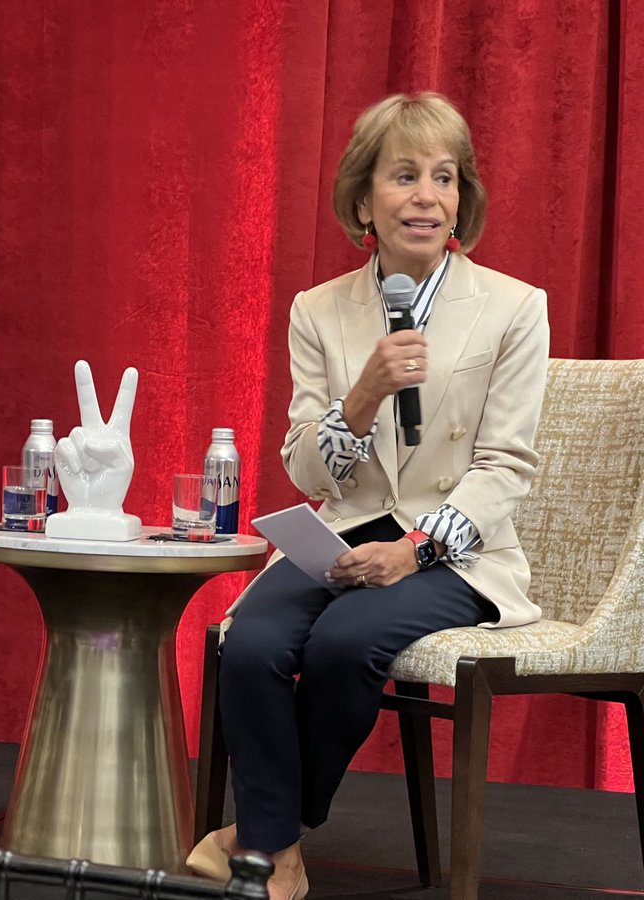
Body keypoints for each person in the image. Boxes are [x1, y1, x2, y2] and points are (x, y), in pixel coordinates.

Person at [185, 92, 549, 899]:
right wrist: (361, 398)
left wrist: (414, 550)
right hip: (347, 530)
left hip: (457, 549)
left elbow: (506, 467)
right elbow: (310, 475)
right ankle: (275, 846)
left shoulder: (515, 309)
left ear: (462, 200)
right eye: (405, 176)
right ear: (363, 200)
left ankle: (262, 839)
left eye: (444, 178)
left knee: (346, 645)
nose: (427, 196)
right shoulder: (319, 311)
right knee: (245, 643)